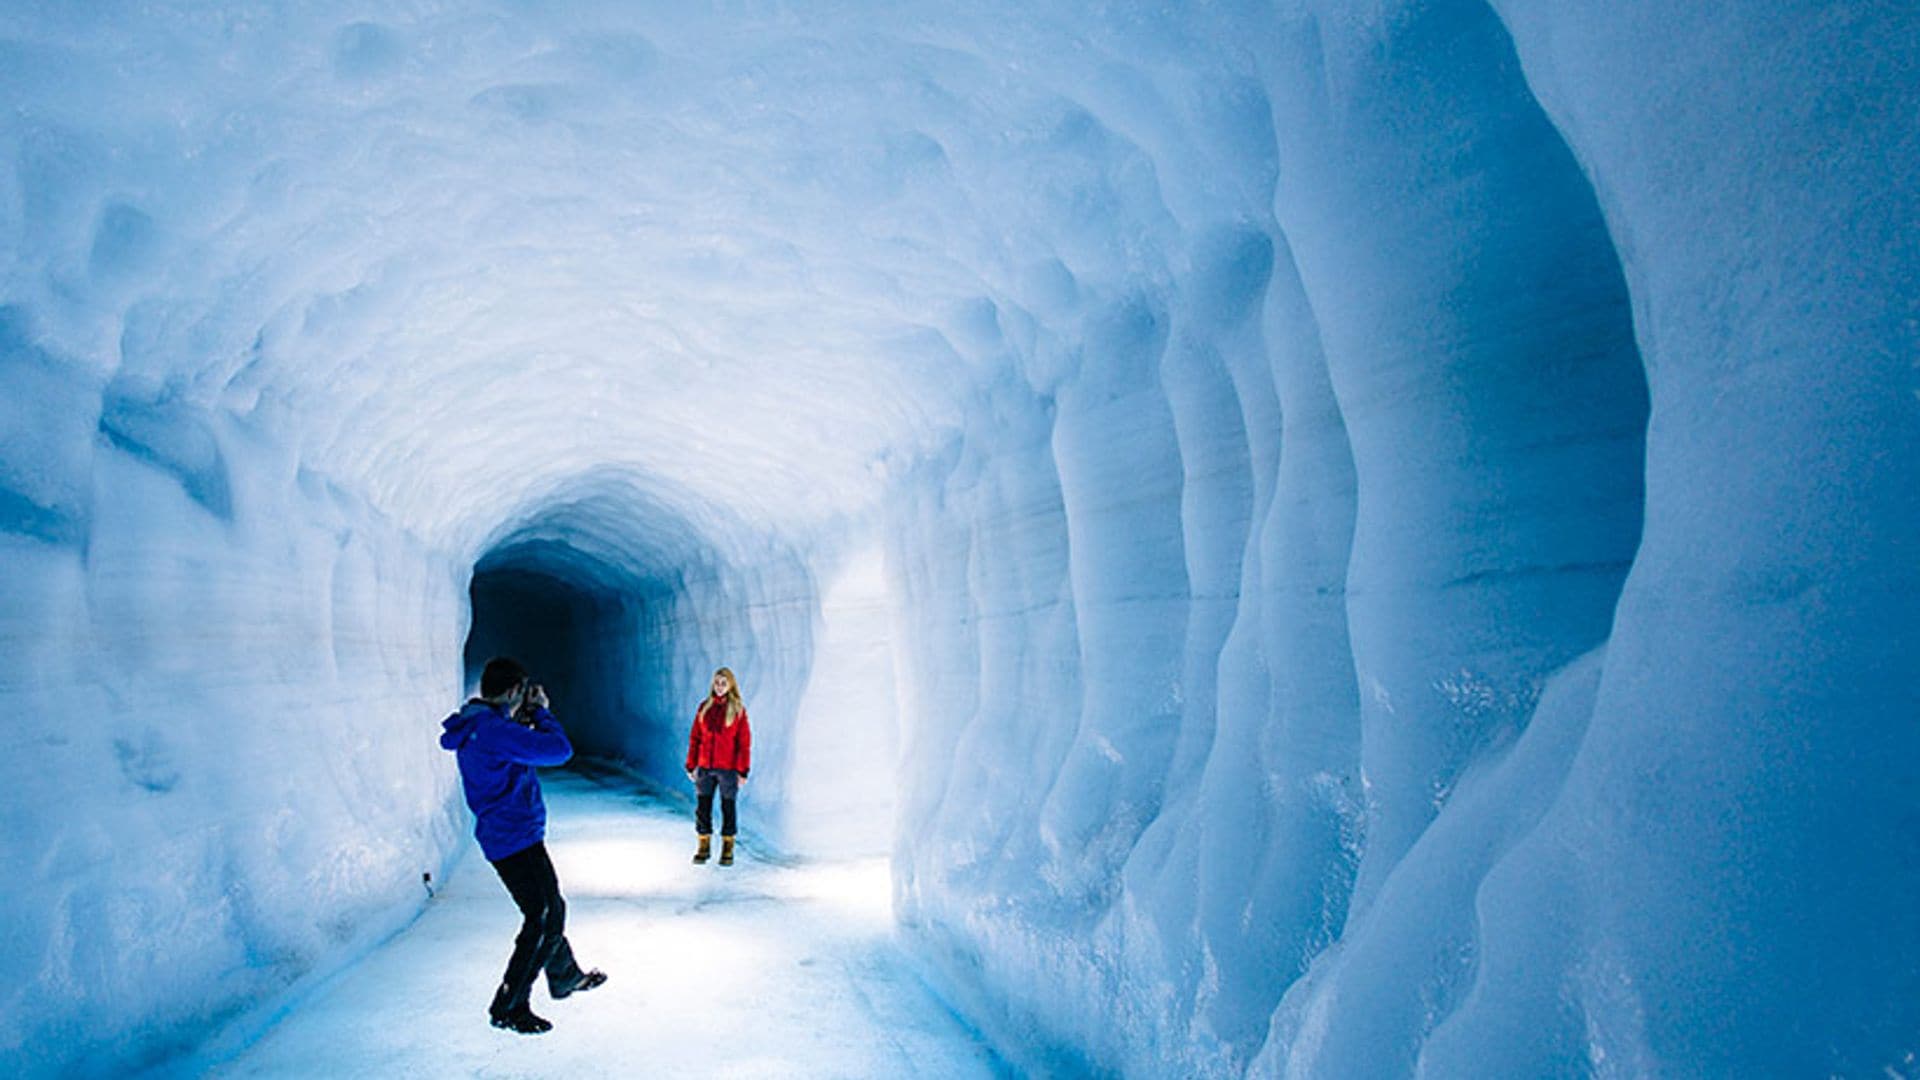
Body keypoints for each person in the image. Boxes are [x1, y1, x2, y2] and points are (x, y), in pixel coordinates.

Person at [440, 657, 607, 1034]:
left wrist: (517, 722)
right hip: (515, 836)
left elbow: (505, 750)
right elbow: (559, 751)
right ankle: (509, 1005)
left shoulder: (481, 726)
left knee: (547, 908)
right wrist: (544, 715)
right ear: (515, 690)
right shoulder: (495, 731)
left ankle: (564, 974)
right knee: (545, 915)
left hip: (507, 834)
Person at [685, 666, 752, 866]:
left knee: (728, 808)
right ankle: (703, 847)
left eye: (724, 683)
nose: (720, 687)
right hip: (705, 768)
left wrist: (742, 770)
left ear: (730, 685)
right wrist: (691, 765)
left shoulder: (738, 710)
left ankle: (727, 848)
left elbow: (744, 743)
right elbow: (695, 738)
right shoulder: (704, 707)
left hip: (728, 770)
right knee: (702, 808)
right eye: (717, 683)